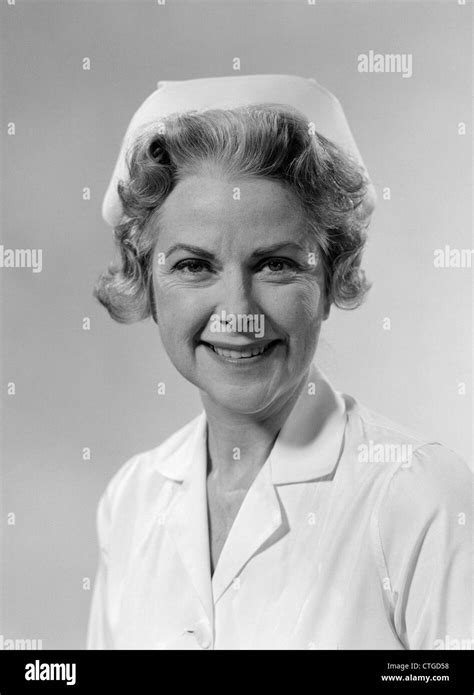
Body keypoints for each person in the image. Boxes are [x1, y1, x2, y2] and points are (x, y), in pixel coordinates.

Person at [87, 75, 472, 650]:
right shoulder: (132, 499)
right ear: (146, 281)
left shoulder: (421, 497)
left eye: (275, 265)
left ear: (331, 276)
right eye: (195, 265)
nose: (238, 312)